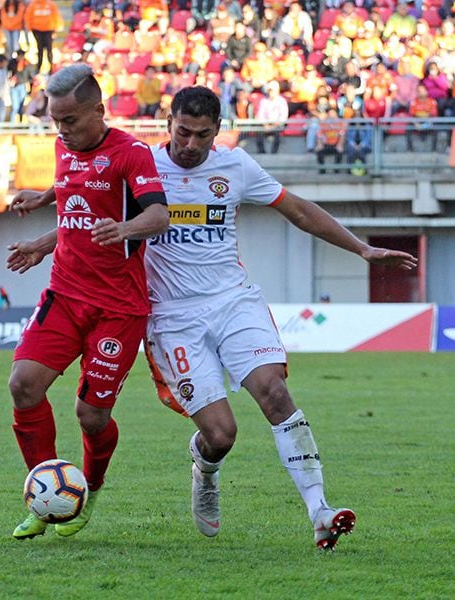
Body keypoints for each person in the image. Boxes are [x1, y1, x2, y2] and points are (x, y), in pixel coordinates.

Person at [137, 87, 415, 549]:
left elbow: (300, 212)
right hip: (172, 317)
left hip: (233, 302)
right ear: (168, 123)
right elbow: (85, 205)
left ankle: (320, 511)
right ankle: (204, 469)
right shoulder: (141, 166)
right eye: (183, 132)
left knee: (275, 392)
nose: (190, 145)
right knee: (221, 435)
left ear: (217, 132)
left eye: (202, 136)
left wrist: (362, 248)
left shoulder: (236, 165)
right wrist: (45, 241)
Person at [3, 64, 170, 540]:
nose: (63, 131)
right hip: (65, 292)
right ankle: (44, 497)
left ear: (99, 111)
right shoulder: (64, 147)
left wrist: (127, 228)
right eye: (56, 121)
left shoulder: (132, 154)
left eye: (71, 121)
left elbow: (159, 214)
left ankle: (88, 490)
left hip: (118, 308)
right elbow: (76, 199)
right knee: (23, 385)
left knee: (90, 416)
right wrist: (41, 228)